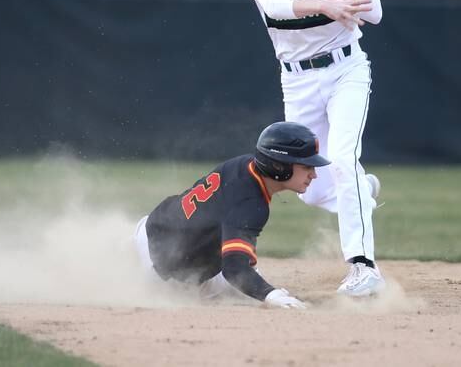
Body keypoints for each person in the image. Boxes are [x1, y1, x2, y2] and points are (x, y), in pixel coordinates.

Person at [244, 0, 385, 297]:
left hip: (347, 71)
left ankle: (363, 268)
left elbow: (374, 12)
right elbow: (273, 5)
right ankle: (362, 189)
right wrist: (323, 1)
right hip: (298, 79)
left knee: (342, 158)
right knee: (306, 183)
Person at [134, 121, 330, 308]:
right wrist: (271, 295)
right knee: (260, 290)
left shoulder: (243, 165)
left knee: (250, 283)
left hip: (153, 227)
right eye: (306, 166)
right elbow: (234, 268)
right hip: (166, 277)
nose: (313, 174)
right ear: (279, 166)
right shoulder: (250, 204)